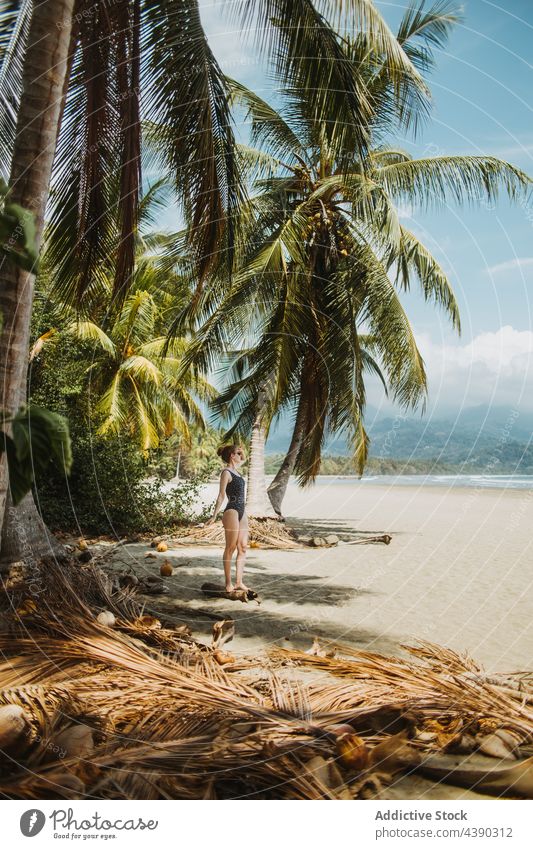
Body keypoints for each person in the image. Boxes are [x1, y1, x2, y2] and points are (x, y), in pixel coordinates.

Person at [206, 444, 248, 592]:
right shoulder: (226, 472)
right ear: (232, 455)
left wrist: (240, 449)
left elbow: (245, 458)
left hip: (242, 510)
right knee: (230, 548)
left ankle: (239, 582)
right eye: (238, 453)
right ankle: (228, 583)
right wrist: (214, 516)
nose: (240, 456)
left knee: (242, 547)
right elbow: (221, 495)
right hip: (232, 510)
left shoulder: (237, 471)